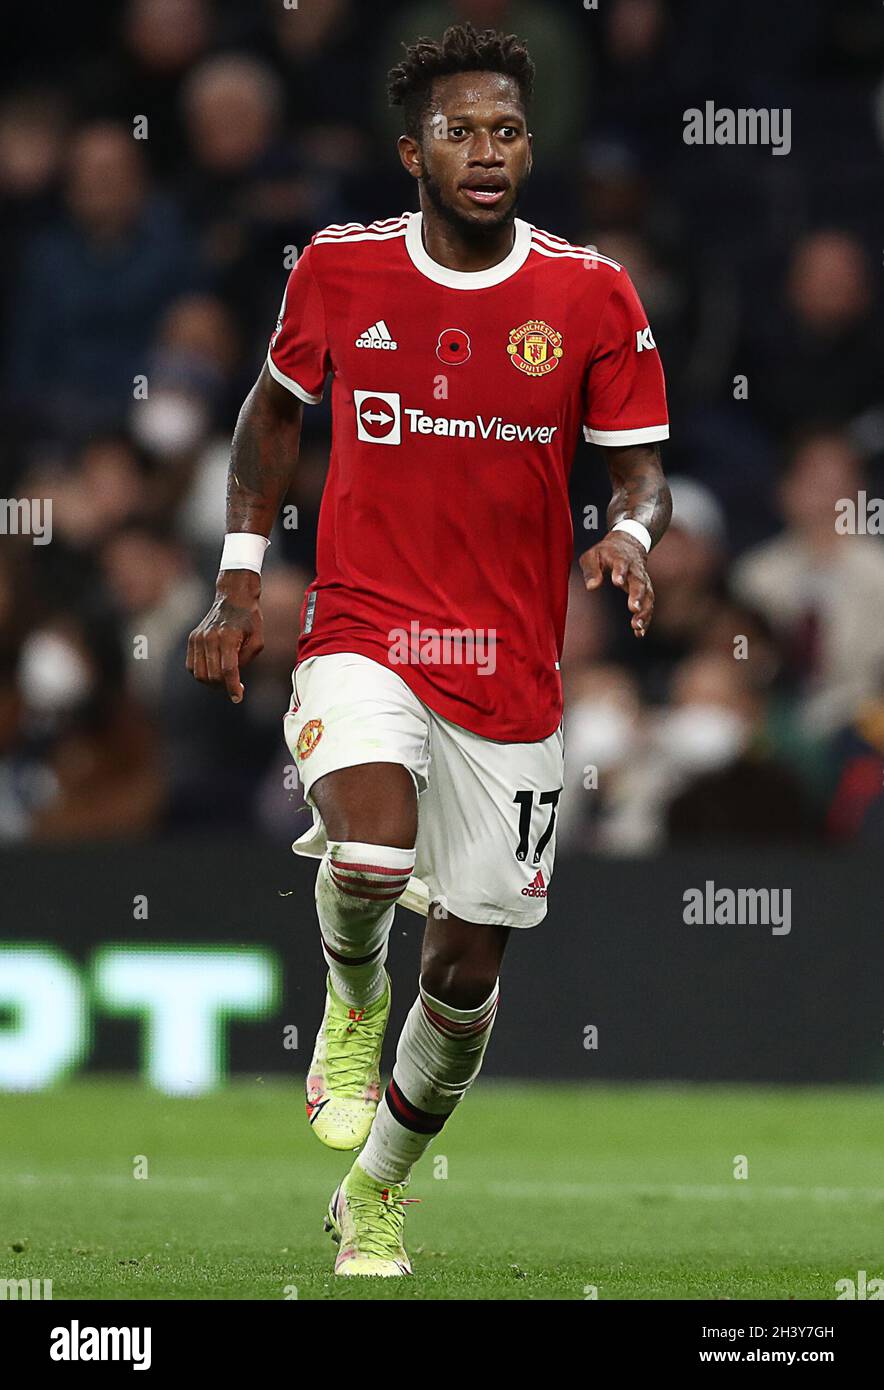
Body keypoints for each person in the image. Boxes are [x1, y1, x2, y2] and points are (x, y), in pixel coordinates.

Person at [186, 22, 671, 1277]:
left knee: (461, 975)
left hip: (510, 679)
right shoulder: (340, 271)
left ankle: (376, 1190)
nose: (487, 150)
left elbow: (643, 472)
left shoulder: (588, 293)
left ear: (528, 143)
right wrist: (239, 582)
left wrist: (626, 532)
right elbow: (269, 419)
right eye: (459, 130)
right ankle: (350, 999)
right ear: (413, 151)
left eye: (506, 129)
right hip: (365, 629)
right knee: (365, 843)